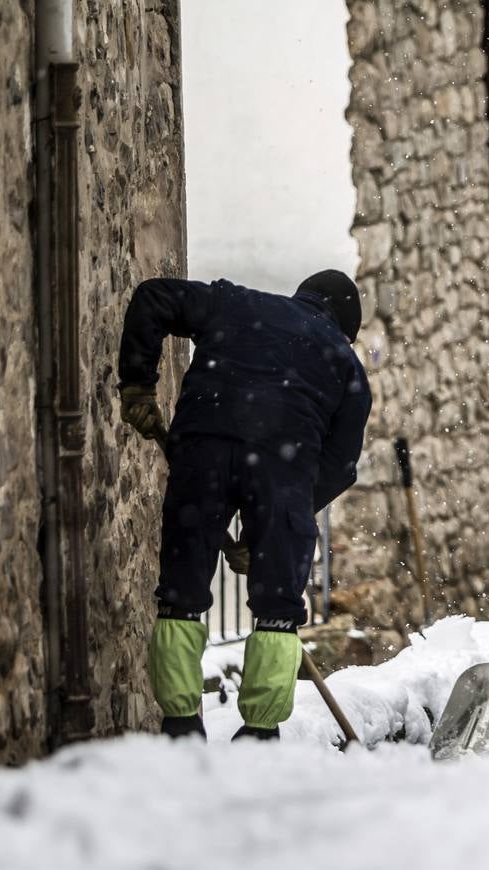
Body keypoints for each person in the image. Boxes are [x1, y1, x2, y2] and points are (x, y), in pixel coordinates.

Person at [117, 270, 371, 740]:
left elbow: (153, 297)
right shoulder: (346, 363)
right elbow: (340, 467)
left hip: (202, 450)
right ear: (344, 325)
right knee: (277, 606)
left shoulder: (236, 304)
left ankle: (179, 722)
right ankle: (260, 732)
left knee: (181, 594)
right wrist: (275, 528)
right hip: (282, 467)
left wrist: (137, 383)